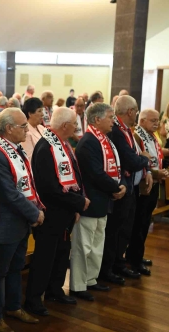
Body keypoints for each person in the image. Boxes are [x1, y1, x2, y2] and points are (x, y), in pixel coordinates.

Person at [0, 108, 42, 332]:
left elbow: (27, 183)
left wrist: (35, 208)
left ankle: (13, 307)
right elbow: (9, 193)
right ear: (9, 128)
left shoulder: (16, 149)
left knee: (16, 267)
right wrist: (34, 214)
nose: (27, 129)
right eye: (23, 126)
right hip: (5, 223)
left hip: (20, 221)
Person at [27, 107, 89, 310]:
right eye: (74, 124)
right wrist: (78, 202)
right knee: (45, 257)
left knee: (62, 254)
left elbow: (72, 177)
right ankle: (34, 299)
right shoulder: (46, 147)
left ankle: (55, 290)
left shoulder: (62, 143)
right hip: (52, 213)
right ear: (64, 125)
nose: (76, 127)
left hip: (64, 212)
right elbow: (50, 188)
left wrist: (77, 202)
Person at [72, 103, 126, 301]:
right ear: (96, 119)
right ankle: (78, 285)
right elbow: (95, 173)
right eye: (110, 117)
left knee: (96, 245)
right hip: (91, 201)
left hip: (103, 199)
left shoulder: (104, 139)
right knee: (83, 246)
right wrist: (116, 188)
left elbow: (115, 167)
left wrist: (120, 185)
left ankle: (90, 279)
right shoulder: (88, 142)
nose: (113, 121)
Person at [100, 95, 152, 284]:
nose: (136, 114)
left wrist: (143, 164)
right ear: (130, 111)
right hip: (121, 187)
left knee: (125, 229)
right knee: (116, 230)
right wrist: (144, 159)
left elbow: (134, 156)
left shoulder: (126, 130)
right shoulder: (117, 131)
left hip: (130, 186)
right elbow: (130, 160)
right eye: (136, 111)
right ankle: (111, 267)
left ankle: (119, 263)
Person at [126, 109, 169, 271]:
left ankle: (137, 254)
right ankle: (134, 259)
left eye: (157, 120)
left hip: (153, 182)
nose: (156, 123)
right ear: (142, 120)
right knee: (140, 223)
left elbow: (155, 156)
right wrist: (156, 173)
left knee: (145, 222)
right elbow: (139, 160)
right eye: (153, 120)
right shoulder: (137, 136)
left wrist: (161, 170)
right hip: (143, 185)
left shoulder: (152, 135)